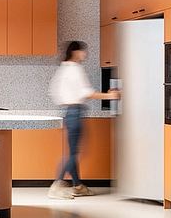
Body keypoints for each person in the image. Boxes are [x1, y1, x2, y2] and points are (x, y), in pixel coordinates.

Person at [47, 40, 120, 200]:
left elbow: (54, 92)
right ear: (75, 52)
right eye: (83, 51)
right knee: (74, 153)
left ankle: (78, 186)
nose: (85, 54)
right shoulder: (75, 69)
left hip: (69, 112)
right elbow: (86, 93)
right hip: (76, 111)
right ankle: (57, 184)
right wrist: (110, 96)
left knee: (74, 151)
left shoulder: (64, 68)